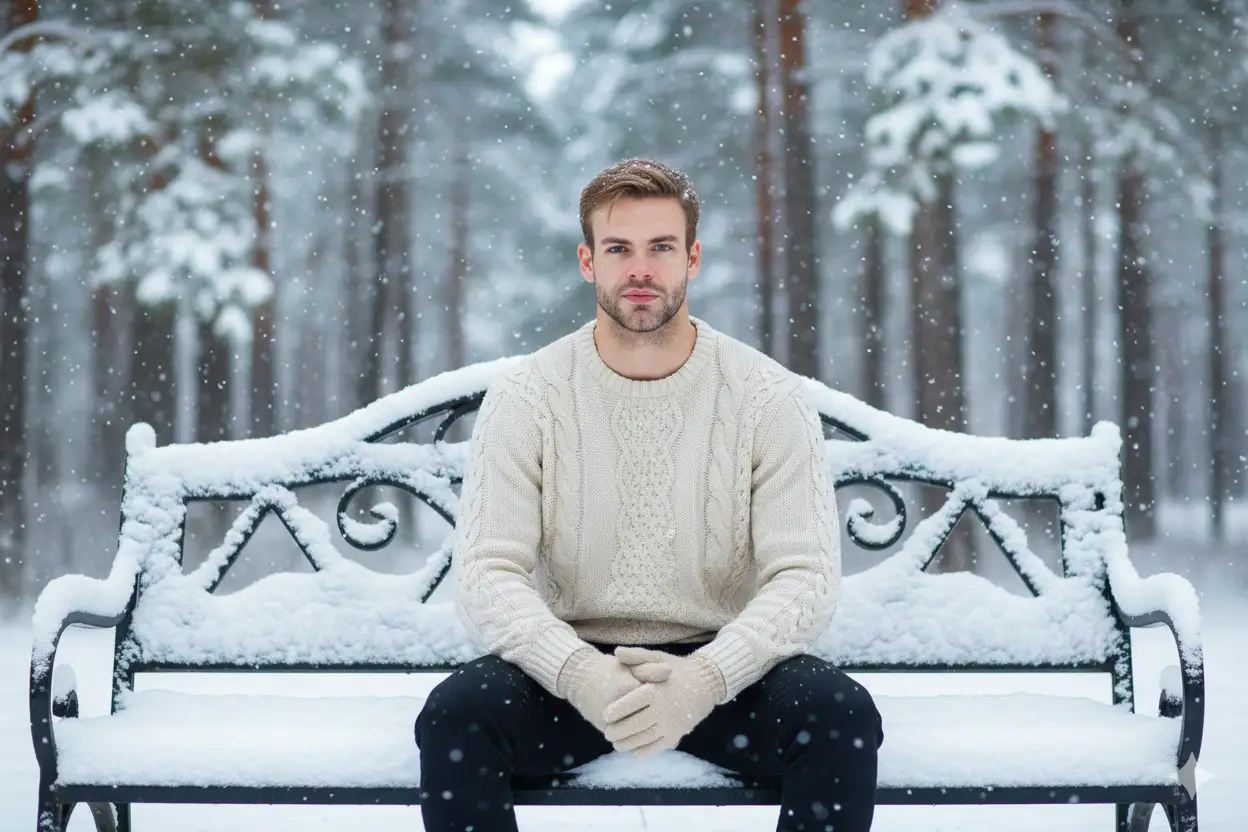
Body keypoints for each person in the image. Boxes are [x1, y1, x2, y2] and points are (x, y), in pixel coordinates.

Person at [415, 158, 882, 832]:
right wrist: (582, 675)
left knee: (840, 717)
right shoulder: (528, 396)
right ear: (588, 261)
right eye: (618, 249)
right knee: (456, 718)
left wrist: (703, 681)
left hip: (724, 677)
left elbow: (805, 578)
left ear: (692, 257)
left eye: (661, 247)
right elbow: (487, 574)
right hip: (568, 675)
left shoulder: (767, 396)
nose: (640, 269)